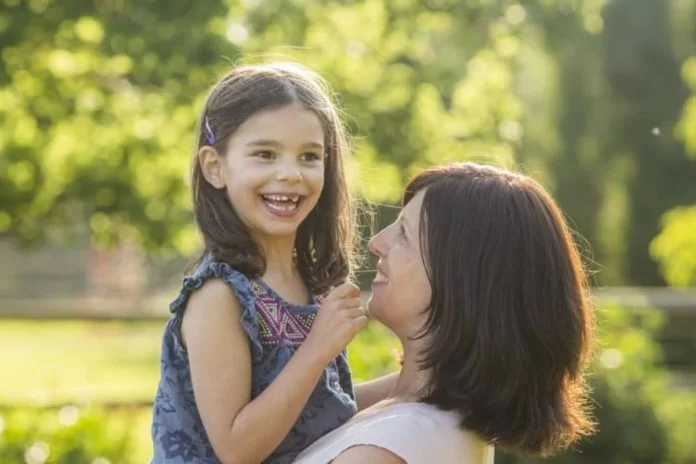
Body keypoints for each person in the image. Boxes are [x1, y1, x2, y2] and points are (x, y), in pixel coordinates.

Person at [150, 62, 395, 464]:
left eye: (309, 156)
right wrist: (318, 347)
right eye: (265, 154)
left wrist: (419, 383)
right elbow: (237, 447)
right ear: (215, 167)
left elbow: (327, 410)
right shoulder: (219, 295)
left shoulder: (312, 287)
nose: (289, 173)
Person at [295, 162, 596, 464]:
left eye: (404, 234)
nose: (377, 243)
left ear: (461, 278)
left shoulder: (394, 445)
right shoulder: (420, 408)